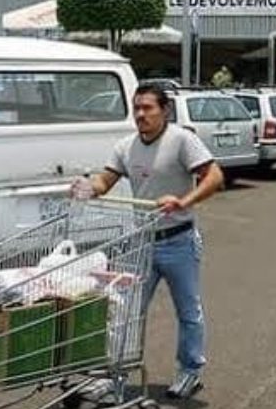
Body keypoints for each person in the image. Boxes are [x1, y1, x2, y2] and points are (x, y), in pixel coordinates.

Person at [71, 84, 225, 401]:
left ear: (164, 110)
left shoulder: (181, 140)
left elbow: (214, 177)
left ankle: (189, 372)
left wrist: (183, 201)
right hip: (141, 243)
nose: (140, 114)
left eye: (148, 108)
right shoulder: (125, 146)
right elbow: (106, 180)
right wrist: (89, 188)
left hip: (179, 240)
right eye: (136, 108)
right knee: (125, 310)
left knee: (188, 310)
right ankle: (115, 376)